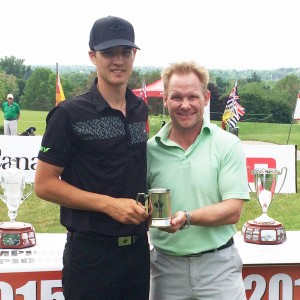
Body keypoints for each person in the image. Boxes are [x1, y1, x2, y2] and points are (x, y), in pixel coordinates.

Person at [34, 16, 150, 300]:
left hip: (137, 252)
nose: (117, 61)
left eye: (125, 52)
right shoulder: (68, 114)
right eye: (108, 53)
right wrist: (108, 205)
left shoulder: (139, 109)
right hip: (91, 256)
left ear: (134, 55)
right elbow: (44, 184)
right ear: (92, 56)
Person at [147, 61, 250, 300]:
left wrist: (187, 218)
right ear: (164, 99)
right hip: (165, 269)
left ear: (206, 97)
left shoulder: (227, 144)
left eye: (193, 96)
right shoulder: (149, 150)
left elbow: (233, 210)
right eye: (176, 97)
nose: (185, 105)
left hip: (218, 269)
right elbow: (141, 205)